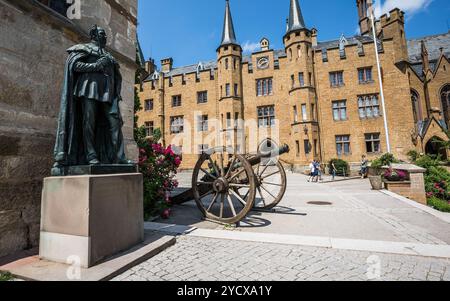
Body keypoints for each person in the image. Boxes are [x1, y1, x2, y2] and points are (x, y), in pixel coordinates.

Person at [53, 25, 129, 175]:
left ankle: (120, 157)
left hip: (107, 93)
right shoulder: (84, 48)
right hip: (89, 88)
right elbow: (74, 65)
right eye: (102, 34)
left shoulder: (108, 55)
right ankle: (91, 155)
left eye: (105, 35)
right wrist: (95, 66)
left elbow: (116, 74)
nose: (105, 37)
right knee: (89, 122)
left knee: (114, 122)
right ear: (94, 35)